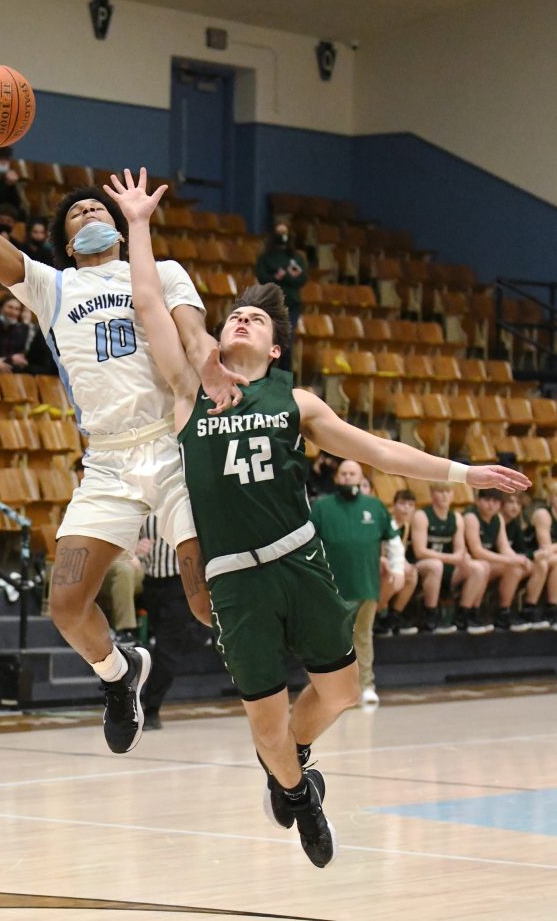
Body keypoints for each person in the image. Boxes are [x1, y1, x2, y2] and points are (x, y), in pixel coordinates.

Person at [103, 165, 529, 869]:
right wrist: (139, 225)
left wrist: (464, 473)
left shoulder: (295, 402)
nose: (240, 319)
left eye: (256, 318)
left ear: (275, 348)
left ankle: (293, 759)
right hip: (234, 579)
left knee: (337, 690)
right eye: (234, 315)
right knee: (263, 724)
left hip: (299, 562)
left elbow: (381, 451)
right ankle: (298, 795)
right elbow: (148, 304)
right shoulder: (188, 391)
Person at [0, 68, 244, 756]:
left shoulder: (161, 273)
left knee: (203, 600)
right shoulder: (52, 287)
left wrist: (209, 360)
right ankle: (119, 674)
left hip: (173, 444)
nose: (87, 213)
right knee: (66, 605)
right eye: (75, 212)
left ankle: (269, 690)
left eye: (95, 208)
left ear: (118, 223)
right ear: (63, 237)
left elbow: (195, 334)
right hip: (106, 458)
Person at [311, 460, 405, 707]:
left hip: (365, 586)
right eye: (343, 473)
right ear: (336, 478)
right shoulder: (321, 508)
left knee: (362, 637)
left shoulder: (375, 507)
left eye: (352, 473)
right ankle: (331, 690)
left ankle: (366, 686)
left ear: (361, 478)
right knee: (331, 641)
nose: (347, 477)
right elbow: (308, 545)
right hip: (331, 589)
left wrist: (398, 568)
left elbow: (394, 541)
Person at [139, 514, 210, 730]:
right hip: (149, 581)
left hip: (181, 583)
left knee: (166, 648)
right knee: (164, 644)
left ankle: (151, 708)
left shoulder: (187, 502)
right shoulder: (144, 502)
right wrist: (134, 546)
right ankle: (205, 632)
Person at [408, 483, 492, 635]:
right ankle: (430, 615)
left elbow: (459, 550)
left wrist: (460, 557)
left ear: (453, 495)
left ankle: (464, 614)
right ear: (432, 494)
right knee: (435, 565)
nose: (444, 496)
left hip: (447, 564)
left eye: (448, 492)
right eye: (440, 491)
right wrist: (451, 558)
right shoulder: (422, 516)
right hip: (422, 565)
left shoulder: (456, 518)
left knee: (481, 567)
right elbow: (420, 552)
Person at [463, 489, 533, 632]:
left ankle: (503, 612)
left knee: (515, 568)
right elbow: (477, 551)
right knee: (484, 567)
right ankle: (467, 613)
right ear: (478, 501)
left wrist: (518, 559)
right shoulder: (471, 517)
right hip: (466, 563)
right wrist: (508, 560)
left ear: (500, 504)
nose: (491, 505)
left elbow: (504, 547)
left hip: (484, 564)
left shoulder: (498, 518)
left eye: (495, 501)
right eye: (486, 500)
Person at [255, 220, 307, 373]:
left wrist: (283, 277)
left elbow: (302, 278)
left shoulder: (296, 258)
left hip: (291, 306)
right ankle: (265, 376)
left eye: (284, 233)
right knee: (270, 343)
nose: (282, 236)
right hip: (271, 306)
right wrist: (279, 277)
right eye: (279, 233)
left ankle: (284, 381)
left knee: (286, 345)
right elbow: (263, 278)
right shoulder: (265, 258)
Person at [374, 489, 419, 636]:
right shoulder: (387, 524)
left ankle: (394, 616)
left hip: (390, 563)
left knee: (412, 574)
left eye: (410, 505)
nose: (406, 508)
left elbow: (399, 552)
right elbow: (380, 552)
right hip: (377, 563)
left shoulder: (406, 526)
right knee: (391, 575)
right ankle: (375, 614)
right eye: (402, 504)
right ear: (393, 506)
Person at [526, 484, 557, 628]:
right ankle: (531, 608)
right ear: (550, 498)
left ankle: (552, 609)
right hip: (531, 555)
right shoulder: (543, 514)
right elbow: (545, 548)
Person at [98, 553, 144, 644]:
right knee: (124, 571)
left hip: (144, 563)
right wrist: (125, 553)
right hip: (108, 558)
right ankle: (125, 631)